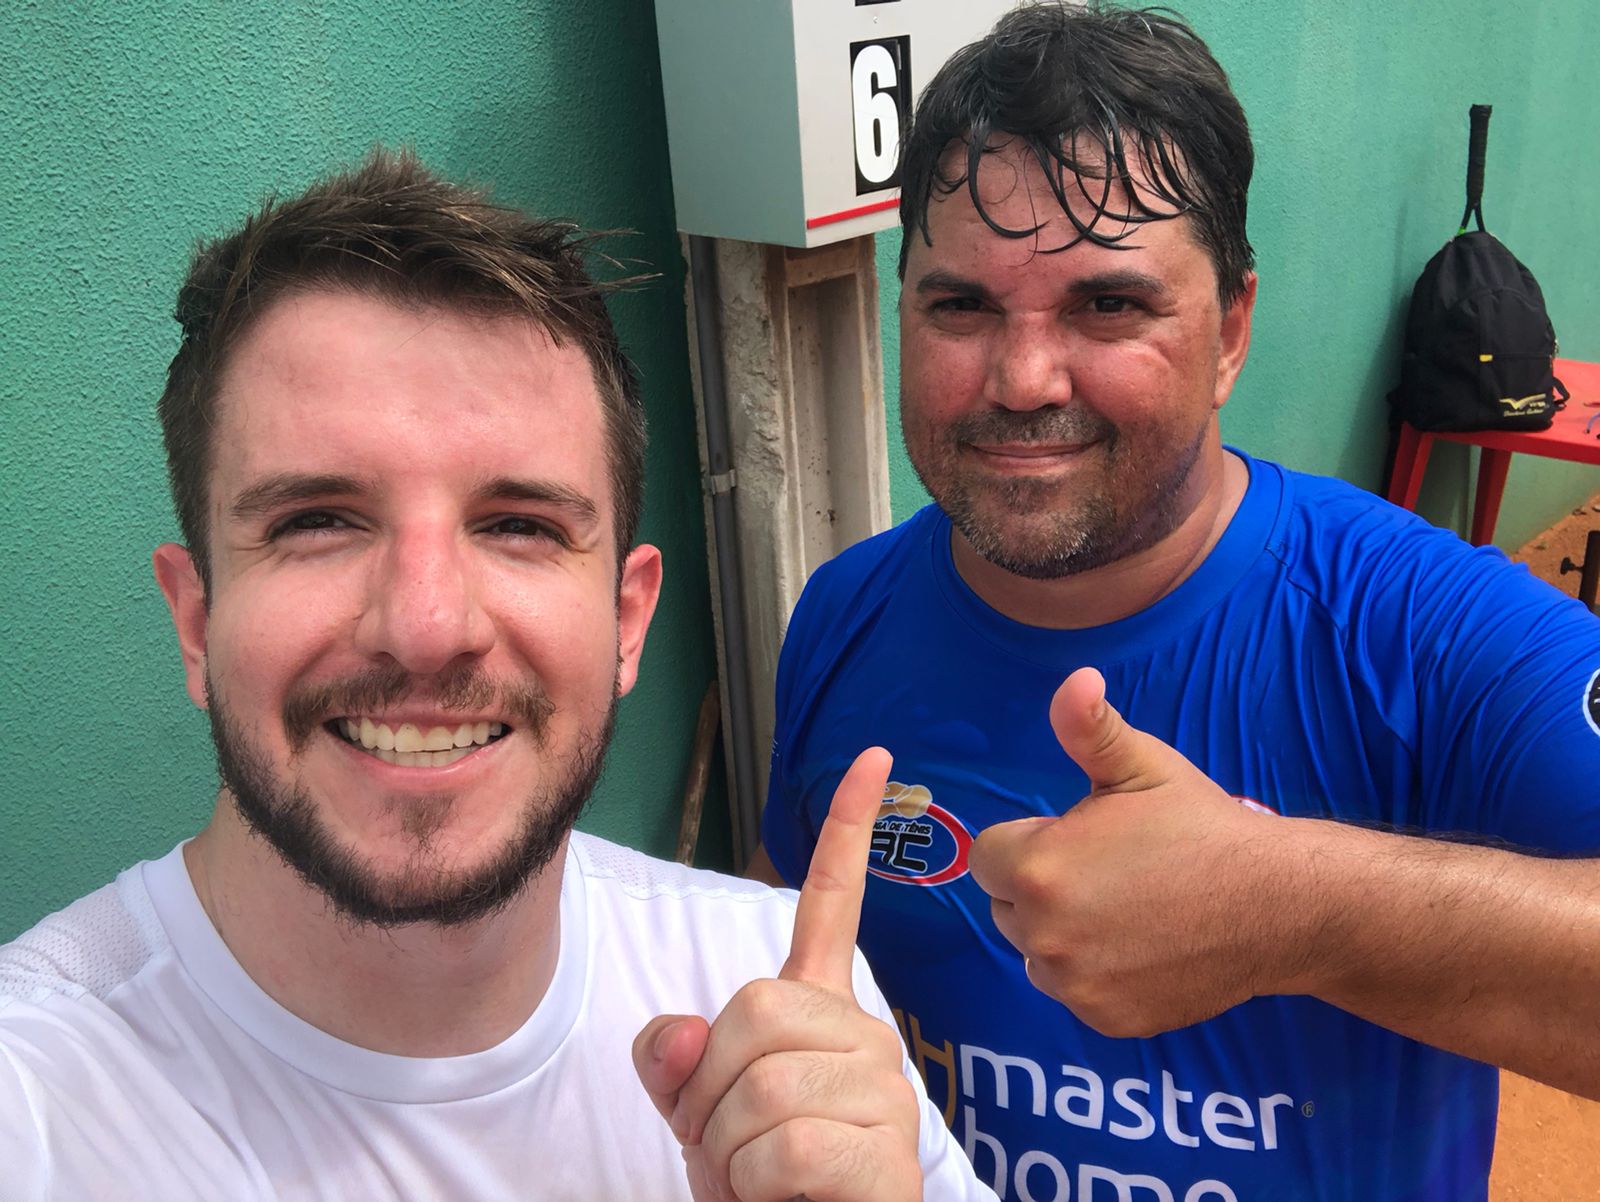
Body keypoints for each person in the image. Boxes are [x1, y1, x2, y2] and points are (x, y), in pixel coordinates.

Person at [0, 150, 996, 1202]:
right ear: (197, 622)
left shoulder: (773, 993)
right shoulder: (36, 1113)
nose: (427, 626)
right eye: (318, 520)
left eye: (519, 525)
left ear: (626, 620)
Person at [755, 5, 1600, 1200]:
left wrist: (1293, 909)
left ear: (1230, 332)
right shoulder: (842, 616)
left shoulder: (1423, 629)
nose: (1022, 378)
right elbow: (783, 940)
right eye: (961, 306)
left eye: (1108, 305)